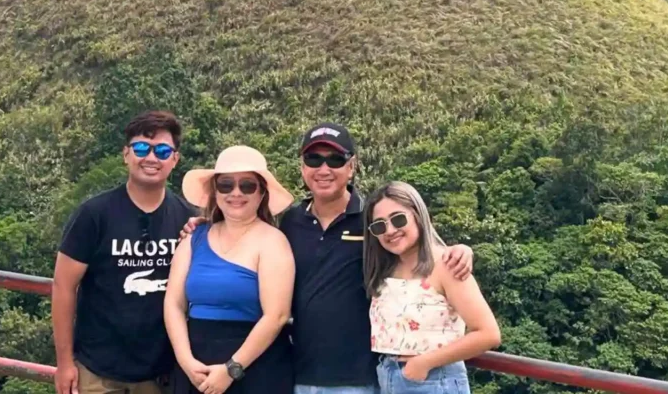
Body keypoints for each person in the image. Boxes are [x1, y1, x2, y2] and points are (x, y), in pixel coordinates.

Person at [183, 122, 475, 394]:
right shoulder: (290, 223)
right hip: (298, 372)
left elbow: (413, 248)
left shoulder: (371, 221)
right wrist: (203, 225)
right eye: (313, 160)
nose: (324, 168)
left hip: (360, 377)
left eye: (334, 160)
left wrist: (460, 249)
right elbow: (245, 238)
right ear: (302, 167)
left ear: (352, 167)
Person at [51, 110, 199, 394]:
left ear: (175, 159)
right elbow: (63, 286)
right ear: (126, 154)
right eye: (142, 148)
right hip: (97, 371)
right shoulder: (94, 215)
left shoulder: (187, 218)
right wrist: (64, 362)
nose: (152, 158)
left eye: (163, 150)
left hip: (160, 374)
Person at [165, 145, 296, 394]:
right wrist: (186, 362)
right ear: (215, 191)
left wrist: (231, 369)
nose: (236, 193)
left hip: (256, 370)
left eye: (247, 185)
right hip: (195, 369)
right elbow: (173, 303)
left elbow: (276, 315)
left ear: (261, 194)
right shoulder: (194, 239)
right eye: (226, 184)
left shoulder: (273, 242)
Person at [364, 181, 501, 394]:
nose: (390, 230)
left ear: (418, 215)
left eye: (398, 219)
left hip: (433, 380)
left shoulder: (447, 264)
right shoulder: (386, 269)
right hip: (389, 376)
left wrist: (424, 363)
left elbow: (488, 333)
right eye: (379, 226)